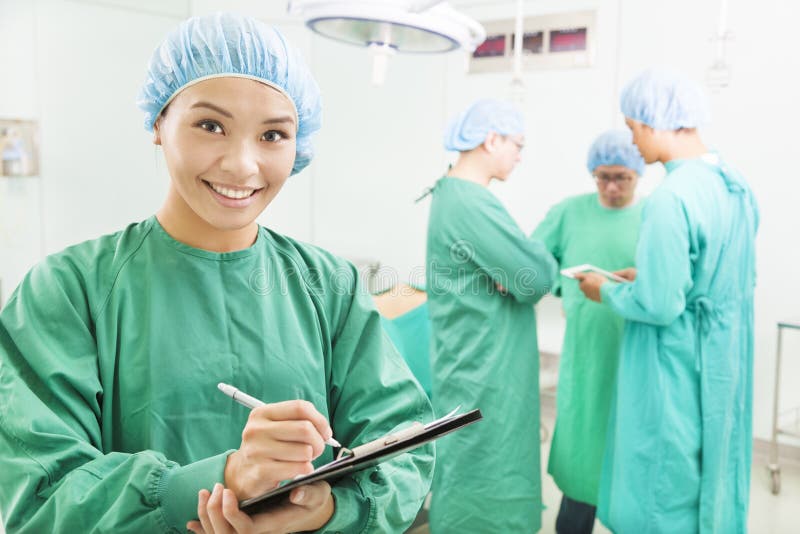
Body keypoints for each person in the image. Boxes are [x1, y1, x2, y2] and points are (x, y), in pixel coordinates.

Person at [0, 12, 434, 534]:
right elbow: (40, 496)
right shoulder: (67, 291)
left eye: (273, 134)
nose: (242, 165)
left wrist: (328, 510)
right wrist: (223, 479)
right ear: (159, 124)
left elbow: (402, 446)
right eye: (211, 125)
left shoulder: (331, 286)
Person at [575, 68, 758, 533]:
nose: (634, 142)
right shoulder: (734, 187)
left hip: (673, 367)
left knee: (662, 481)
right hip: (722, 361)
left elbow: (659, 305)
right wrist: (652, 275)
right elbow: (715, 278)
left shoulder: (670, 198)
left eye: (635, 128)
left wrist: (607, 290)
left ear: (657, 122)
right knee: (710, 468)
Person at [425, 99, 557, 533]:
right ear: (491, 139)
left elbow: (520, 274)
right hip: (485, 372)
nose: (520, 154)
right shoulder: (469, 202)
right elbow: (535, 277)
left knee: (478, 465)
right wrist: (535, 266)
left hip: (480, 363)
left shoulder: (457, 196)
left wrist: (519, 271)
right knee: (484, 474)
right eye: (517, 144)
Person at [532, 129, 645, 533]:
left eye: (621, 178)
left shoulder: (652, 219)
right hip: (586, 352)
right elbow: (534, 261)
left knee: (630, 455)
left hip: (636, 352)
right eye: (602, 177)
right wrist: (566, 287)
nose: (611, 187)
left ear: (639, 172)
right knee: (584, 451)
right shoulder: (569, 212)